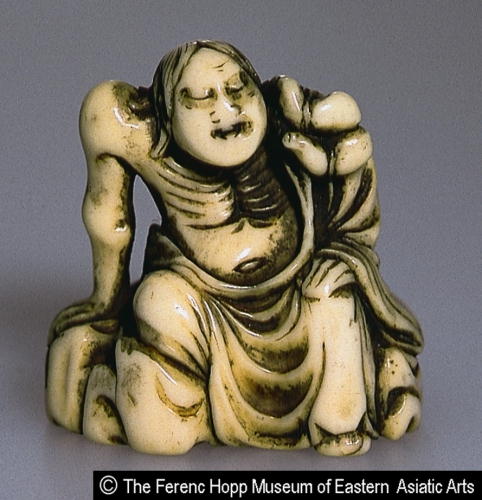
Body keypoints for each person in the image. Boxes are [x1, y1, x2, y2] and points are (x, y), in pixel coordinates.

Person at [46, 40, 423, 456]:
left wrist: (342, 259)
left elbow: (352, 186)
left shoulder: (289, 124)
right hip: (204, 309)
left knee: (334, 297)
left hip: (297, 298)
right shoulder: (146, 142)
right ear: (168, 117)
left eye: (238, 89)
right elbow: (109, 218)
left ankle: (340, 420)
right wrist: (106, 302)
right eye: (200, 98)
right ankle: (137, 399)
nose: (226, 109)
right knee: (157, 301)